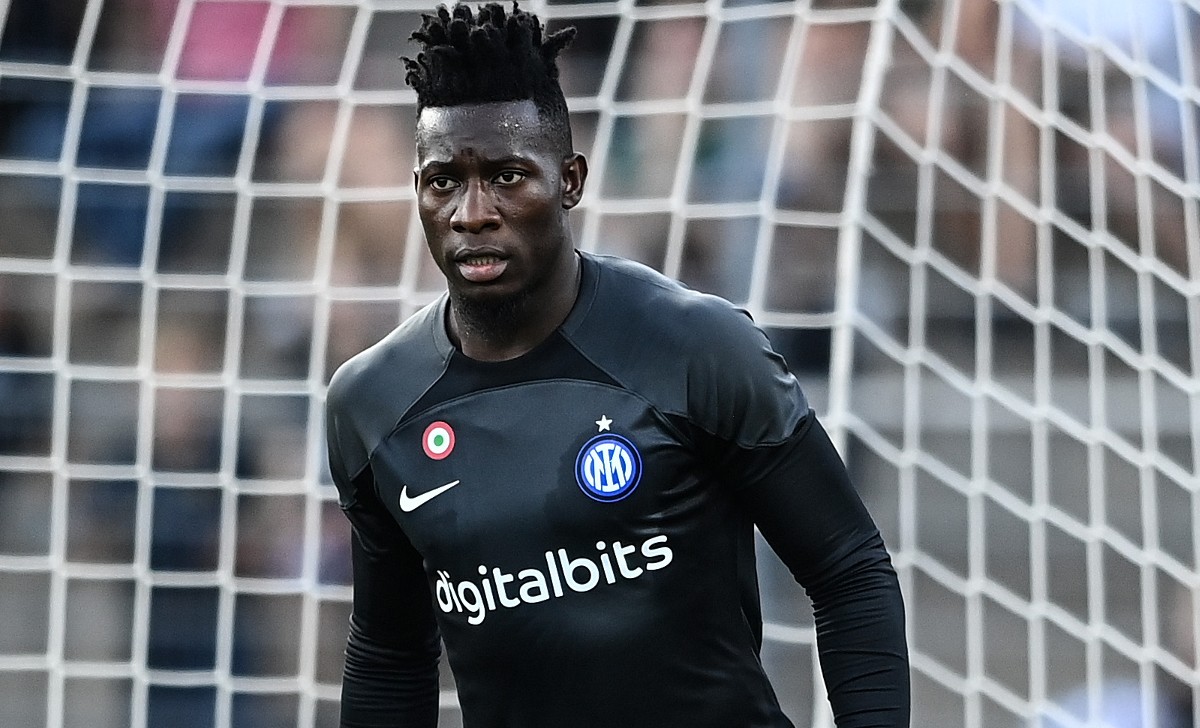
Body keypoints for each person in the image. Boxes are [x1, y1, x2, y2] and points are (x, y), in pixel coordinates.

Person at [324, 3, 910, 726]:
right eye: (444, 180)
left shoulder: (696, 347)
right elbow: (388, 654)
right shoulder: (373, 403)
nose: (472, 212)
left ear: (570, 180)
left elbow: (849, 569)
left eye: (507, 176)